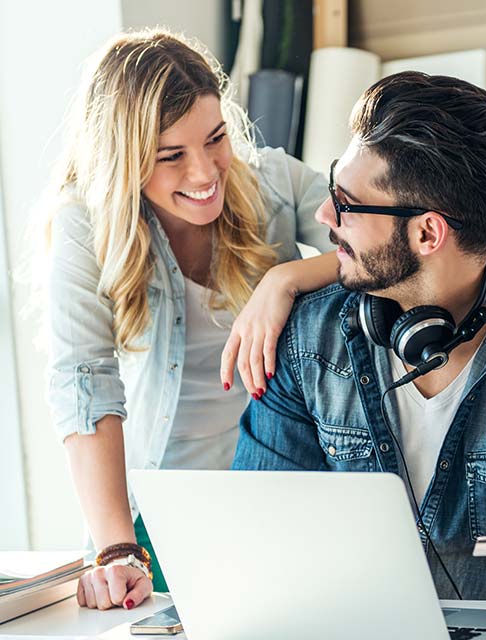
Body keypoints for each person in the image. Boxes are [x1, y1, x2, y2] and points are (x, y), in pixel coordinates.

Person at [233, 71, 486, 617]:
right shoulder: (306, 342)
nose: (325, 216)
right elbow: (252, 533)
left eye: (348, 204)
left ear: (428, 233)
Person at [44, 29, 337, 611]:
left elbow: (381, 246)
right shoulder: (86, 223)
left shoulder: (275, 183)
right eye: (171, 156)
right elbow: (84, 383)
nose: (205, 173)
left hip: (280, 497)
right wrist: (115, 550)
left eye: (216, 139)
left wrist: (286, 279)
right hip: (158, 521)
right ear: (125, 161)